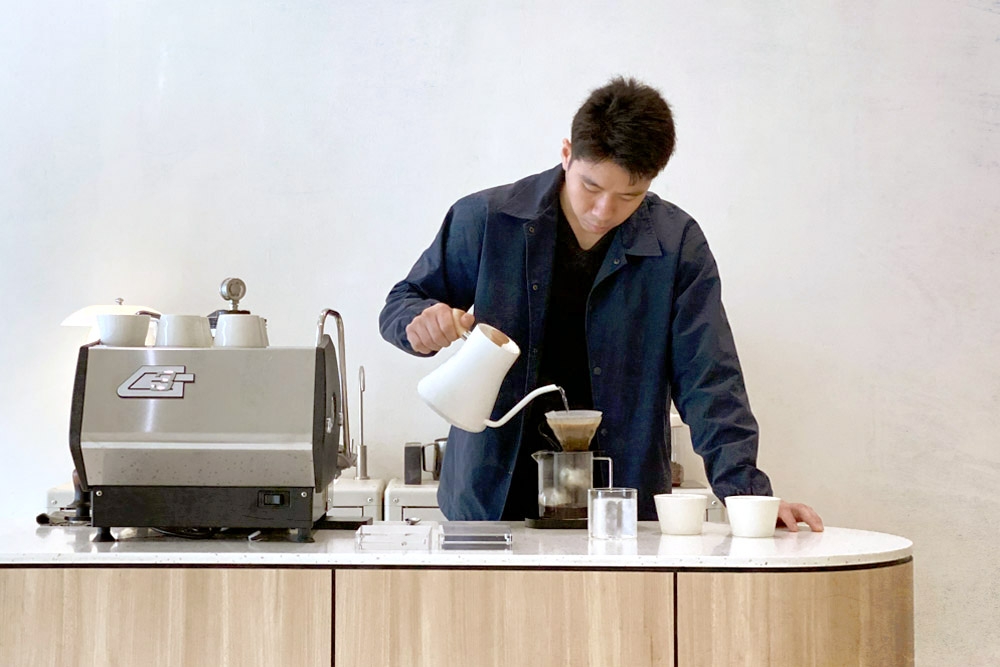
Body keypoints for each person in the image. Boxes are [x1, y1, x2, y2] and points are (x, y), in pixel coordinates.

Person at [379, 76, 823, 531]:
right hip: (490, 498)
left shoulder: (676, 245)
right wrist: (420, 323)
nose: (604, 211)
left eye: (629, 196)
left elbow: (709, 378)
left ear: (652, 179)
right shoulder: (490, 219)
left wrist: (748, 496)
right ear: (567, 154)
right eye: (591, 187)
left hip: (622, 502)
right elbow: (403, 301)